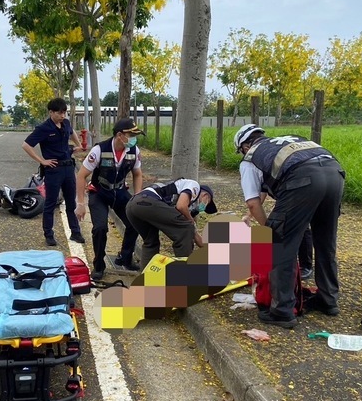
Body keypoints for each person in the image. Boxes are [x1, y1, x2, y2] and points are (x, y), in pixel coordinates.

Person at [234, 124, 345, 329]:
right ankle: (328, 300)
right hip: (334, 174)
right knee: (325, 242)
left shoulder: (249, 158)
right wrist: (256, 217)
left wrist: (271, 231)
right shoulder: (285, 142)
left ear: (245, 145)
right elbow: (262, 191)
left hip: (302, 179)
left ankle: (282, 311)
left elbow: (252, 201)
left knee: (279, 246)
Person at [75, 118, 145, 281]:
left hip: (120, 192)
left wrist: (137, 197)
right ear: (120, 135)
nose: (134, 138)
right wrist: (80, 203)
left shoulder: (134, 151)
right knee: (100, 229)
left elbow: (137, 174)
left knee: (135, 222)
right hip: (99, 192)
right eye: (131, 135)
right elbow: (81, 175)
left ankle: (125, 258)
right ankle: (99, 265)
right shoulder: (99, 150)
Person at [22, 98, 85, 247]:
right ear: (51, 112)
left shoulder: (66, 123)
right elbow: (26, 145)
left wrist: (78, 145)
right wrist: (42, 161)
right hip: (53, 169)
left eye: (64, 113)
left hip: (68, 167)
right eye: (59, 113)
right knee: (50, 203)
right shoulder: (43, 128)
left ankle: (75, 232)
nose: (62, 116)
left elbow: (72, 132)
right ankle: (49, 234)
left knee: (71, 202)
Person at [125, 179, 217, 269]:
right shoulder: (194, 186)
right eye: (207, 203)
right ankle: (184, 272)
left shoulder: (186, 206)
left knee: (151, 242)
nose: (203, 207)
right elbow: (181, 206)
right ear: (206, 195)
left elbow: (194, 234)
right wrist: (190, 221)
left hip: (132, 206)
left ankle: (146, 278)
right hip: (147, 201)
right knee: (186, 228)